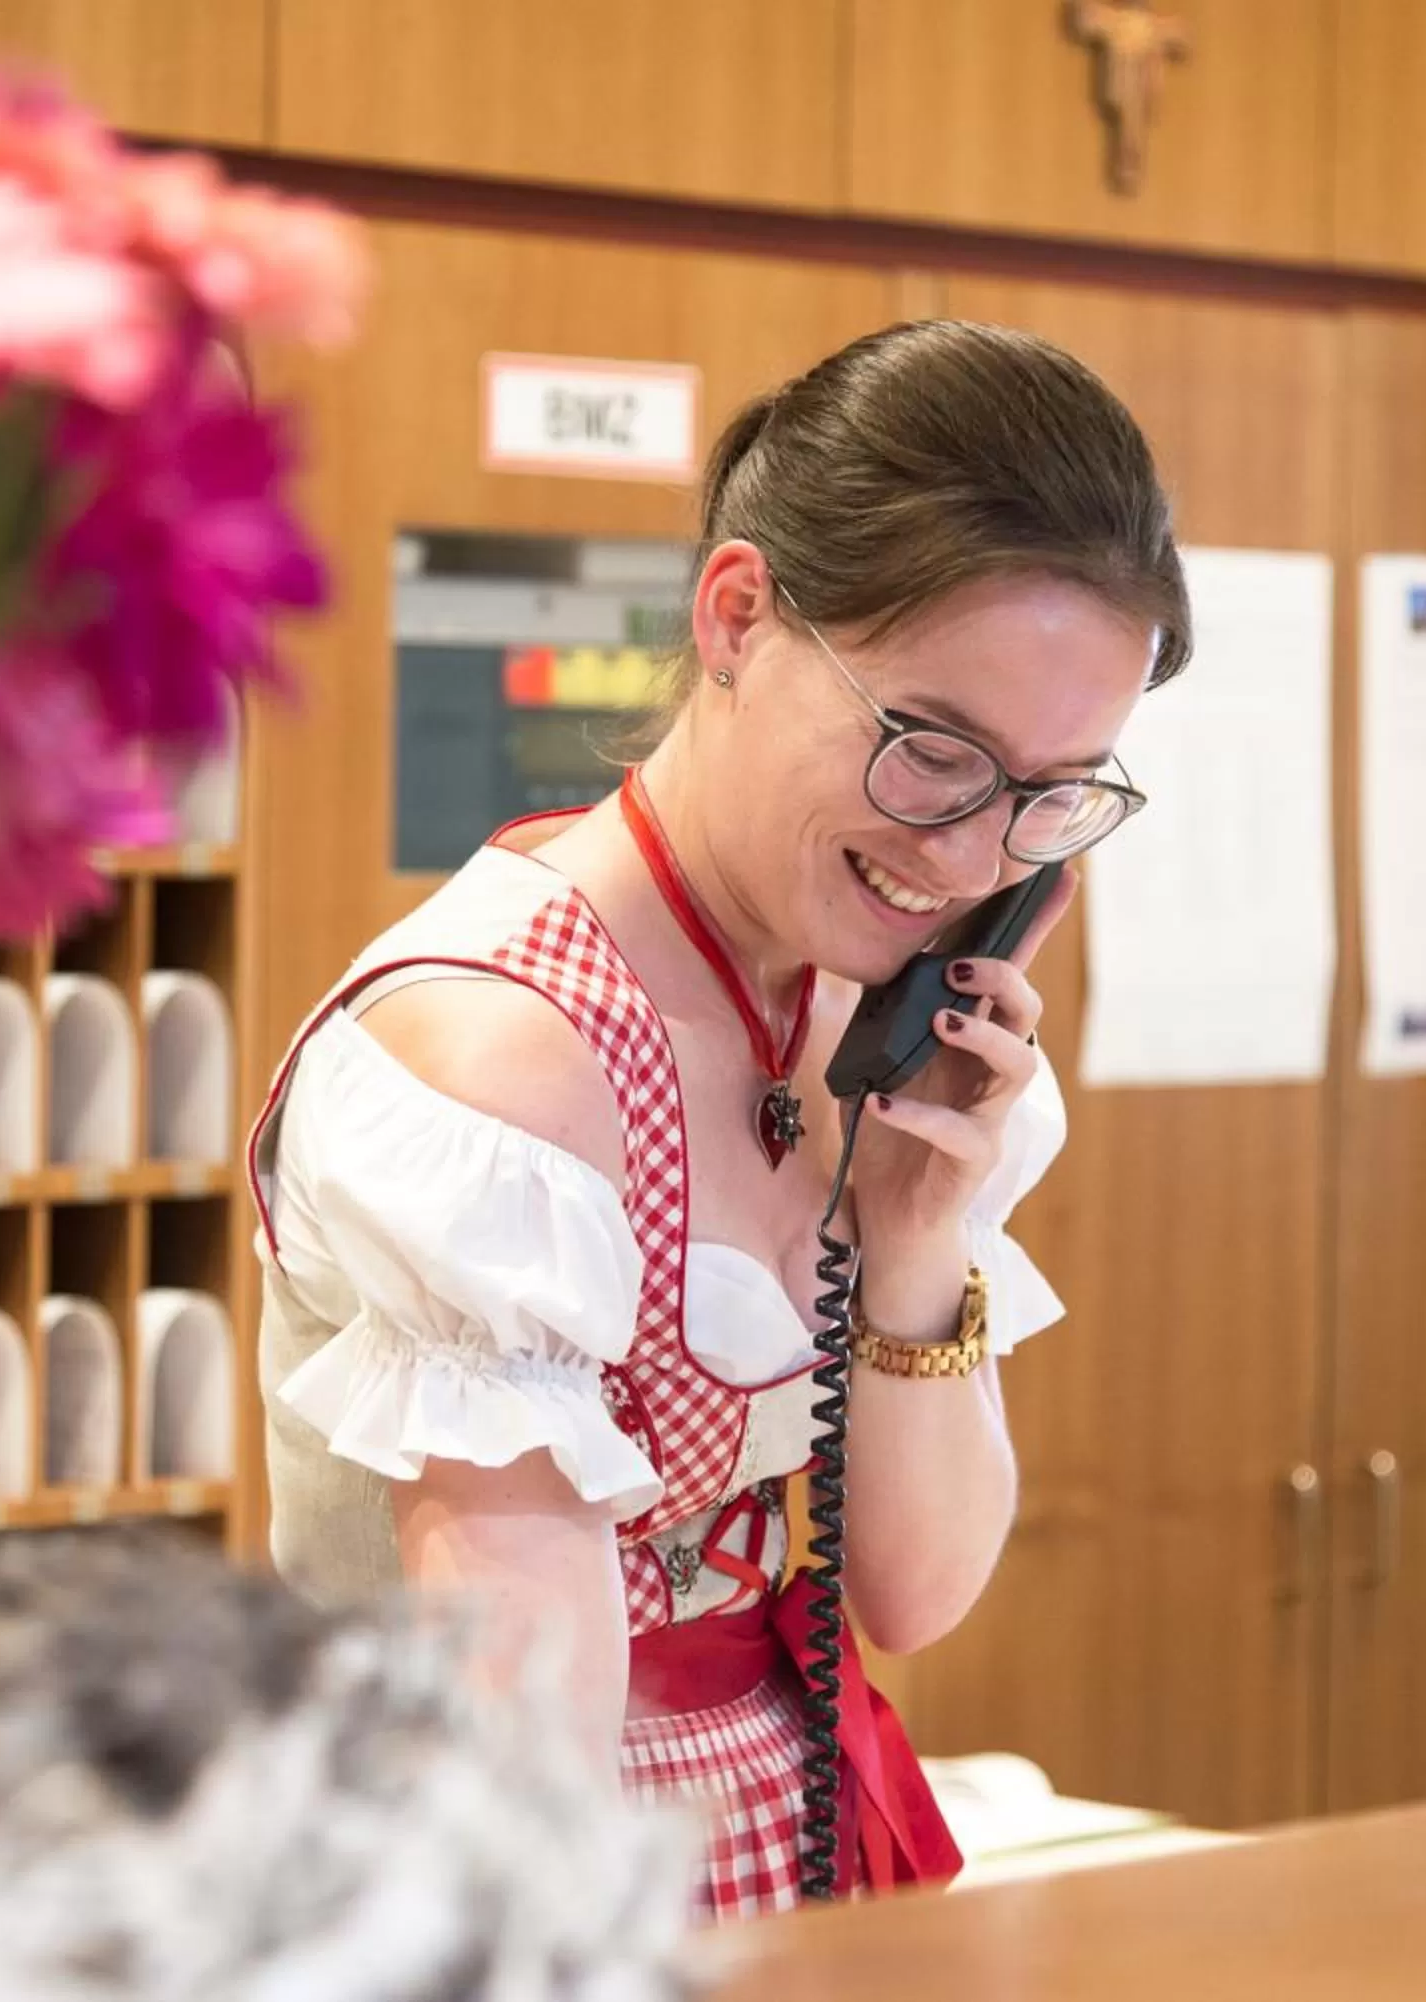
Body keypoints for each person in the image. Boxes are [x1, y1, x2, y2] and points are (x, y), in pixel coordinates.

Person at [244, 319, 1191, 1920]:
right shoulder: (506, 1058)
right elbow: (523, 1763)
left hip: (793, 1826)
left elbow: (913, 1590)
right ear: (738, 615)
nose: (973, 861)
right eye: (933, 752)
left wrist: (913, 1238)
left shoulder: (863, 1001)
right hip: (498, 1886)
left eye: (1051, 794)